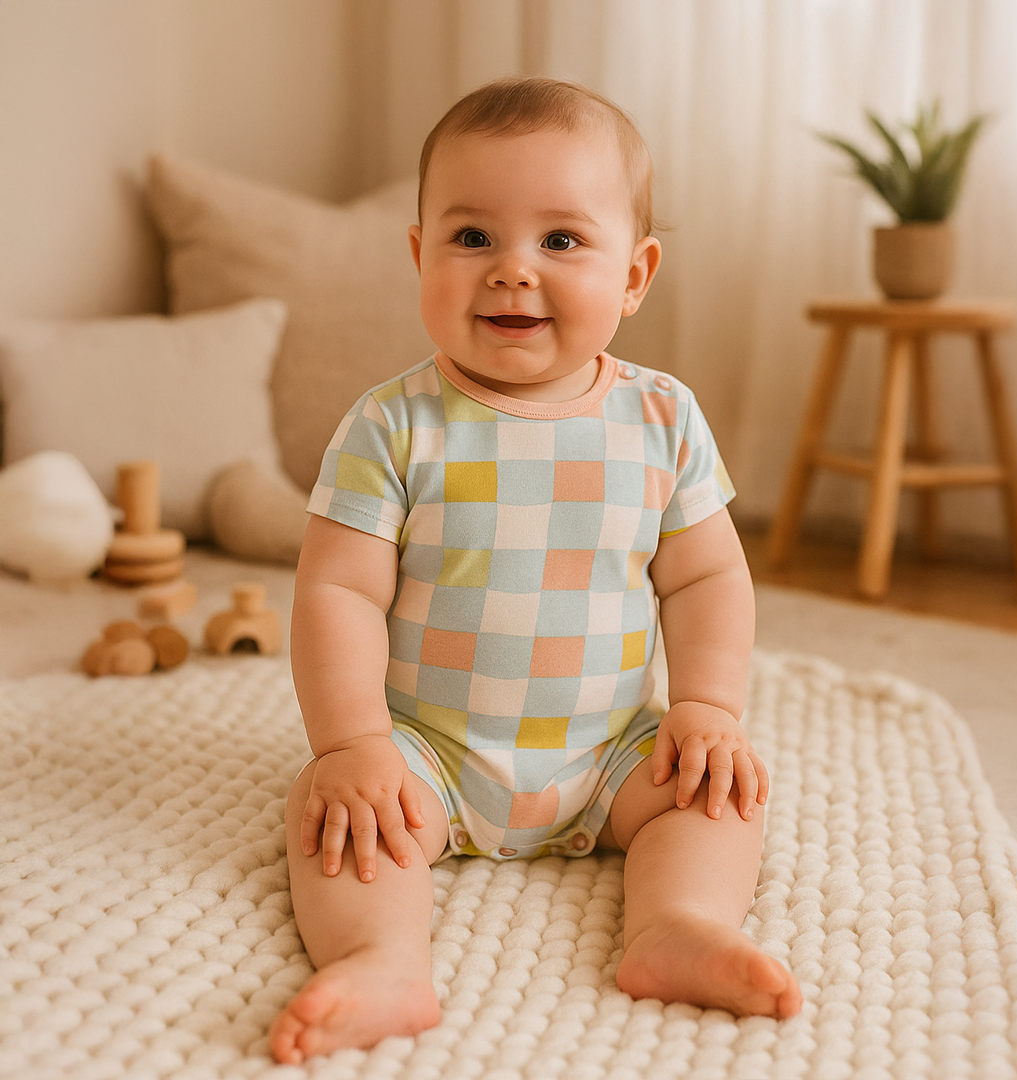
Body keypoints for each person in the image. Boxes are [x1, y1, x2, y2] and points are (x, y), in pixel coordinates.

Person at [270, 75, 801, 1065]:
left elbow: (706, 580)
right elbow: (337, 590)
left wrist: (708, 708)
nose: (513, 270)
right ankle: (382, 958)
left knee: (716, 795)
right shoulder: (392, 425)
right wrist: (352, 744)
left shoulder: (663, 419)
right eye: (473, 237)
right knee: (338, 820)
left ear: (635, 274)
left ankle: (677, 924)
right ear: (421, 256)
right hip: (427, 752)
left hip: (611, 754)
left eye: (560, 240)